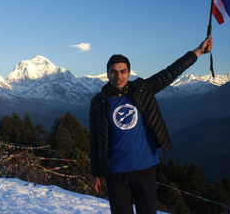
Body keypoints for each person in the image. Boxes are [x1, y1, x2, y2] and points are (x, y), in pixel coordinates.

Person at [89, 36, 213, 214]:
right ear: (107, 74)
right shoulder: (99, 102)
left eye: (123, 71)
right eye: (114, 72)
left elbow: (171, 72)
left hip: (145, 168)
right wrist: (96, 174)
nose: (119, 76)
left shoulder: (142, 90)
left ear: (129, 73)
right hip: (116, 172)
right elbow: (94, 139)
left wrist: (199, 51)